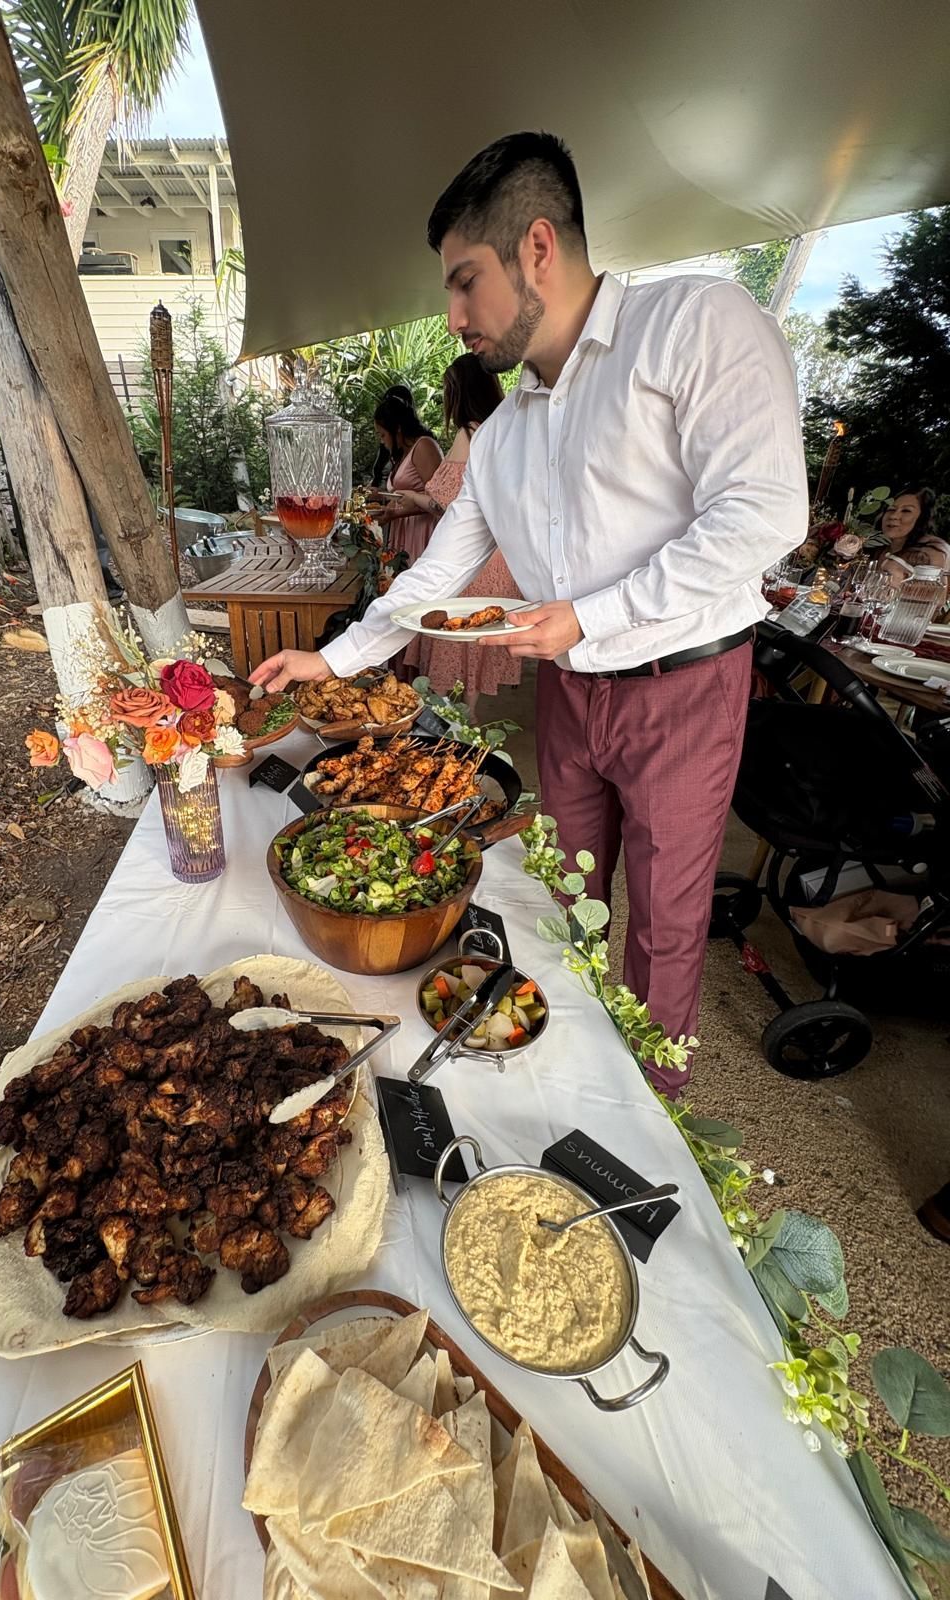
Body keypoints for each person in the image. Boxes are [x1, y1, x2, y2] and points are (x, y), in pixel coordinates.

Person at [251, 131, 808, 1091]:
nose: (454, 313)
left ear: (538, 248)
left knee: (666, 927)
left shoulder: (693, 323)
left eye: (466, 281)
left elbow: (765, 513)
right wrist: (334, 661)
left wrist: (588, 615)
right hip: (570, 695)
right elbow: (435, 583)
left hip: (685, 687)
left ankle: (654, 1114)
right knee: (564, 896)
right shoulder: (504, 431)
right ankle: (568, 1078)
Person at [396, 352, 523, 703]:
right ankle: (468, 712)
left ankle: (455, 719)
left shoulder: (470, 433)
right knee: (479, 639)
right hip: (502, 558)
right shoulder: (507, 429)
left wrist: (412, 497)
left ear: (458, 392)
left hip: (473, 555)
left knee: (453, 633)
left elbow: (451, 503)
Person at [367, 392, 443, 571]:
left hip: (421, 531)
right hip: (402, 530)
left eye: (383, 435)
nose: (382, 441)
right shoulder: (402, 453)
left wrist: (396, 514)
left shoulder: (424, 446)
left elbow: (438, 499)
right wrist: (382, 496)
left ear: (398, 429)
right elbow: (403, 495)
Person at [876, 488, 949, 584]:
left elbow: (935, 595)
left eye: (906, 511)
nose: (893, 516)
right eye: (891, 509)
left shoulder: (933, 551)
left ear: (922, 517)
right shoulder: (877, 548)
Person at [369, 384, 416, 488]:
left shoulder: (421, 446)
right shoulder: (392, 447)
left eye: (383, 435)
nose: (382, 440)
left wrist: (382, 495)